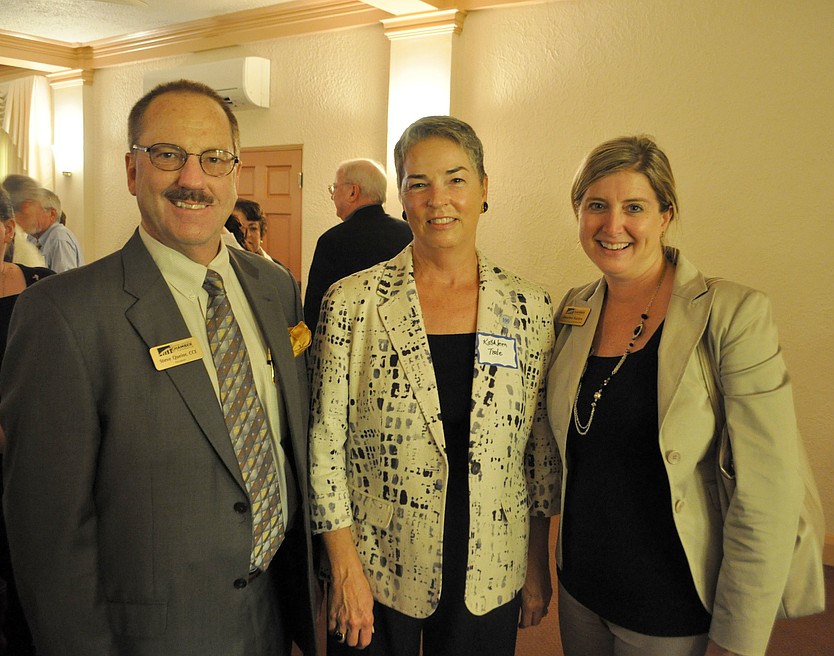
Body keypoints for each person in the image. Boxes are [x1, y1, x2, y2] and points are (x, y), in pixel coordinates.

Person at [0, 80, 318, 656]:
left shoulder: (275, 288)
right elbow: (48, 536)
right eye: (167, 156)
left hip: (272, 616)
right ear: (131, 171)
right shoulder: (63, 315)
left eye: (214, 159)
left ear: (235, 173)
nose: (193, 180)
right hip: (152, 636)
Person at [546, 135, 808, 656]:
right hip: (581, 593)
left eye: (634, 207)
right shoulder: (573, 311)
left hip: (672, 607)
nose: (612, 224)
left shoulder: (732, 315)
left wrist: (739, 640)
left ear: (666, 215)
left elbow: (769, 491)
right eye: (596, 205)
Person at [309, 116, 560, 656]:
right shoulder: (353, 304)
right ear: (400, 195)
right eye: (418, 183)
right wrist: (344, 568)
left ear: (485, 188)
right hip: (378, 566)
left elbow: (537, 450)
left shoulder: (528, 308)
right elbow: (325, 445)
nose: (437, 199)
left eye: (456, 179)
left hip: (489, 565)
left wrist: (535, 561)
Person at [0, 173, 54, 655]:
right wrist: (33, 444)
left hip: (50, 473)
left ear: (9, 228)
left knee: (43, 601)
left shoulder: (45, 288)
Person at [303, 158, 412, 332]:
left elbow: (316, 310)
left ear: (353, 192)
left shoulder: (332, 241)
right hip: (402, 338)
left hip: (348, 345)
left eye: (334, 188)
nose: (332, 195)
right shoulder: (410, 234)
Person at [2, 176, 84, 272]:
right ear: (27, 206)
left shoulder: (59, 237)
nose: (37, 213)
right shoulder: (24, 242)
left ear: (52, 214)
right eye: (37, 206)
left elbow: (64, 281)